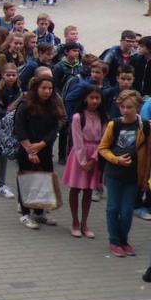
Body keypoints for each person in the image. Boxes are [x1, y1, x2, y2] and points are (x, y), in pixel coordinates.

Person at [99, 90, 150, 257]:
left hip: (134, 175)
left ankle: (124, 240)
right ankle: (114, 241)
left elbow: (148, 153)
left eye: (130, 107)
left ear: (137, 107)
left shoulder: (145, 125)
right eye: (122, 107)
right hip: (114, 172)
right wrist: (116, 159)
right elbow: (103, 148)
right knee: (113, 207)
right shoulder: (115, 124)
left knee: (127, 210)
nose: (126, 110)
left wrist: (145, 177)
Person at [15, 76, 65, 230]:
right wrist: (30, 149)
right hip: (26, 149)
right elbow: (19, 128)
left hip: (44, 149)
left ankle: (39, 212)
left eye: (50, 88)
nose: (47, 91)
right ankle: (25, 213)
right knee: (27, 180)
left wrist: (42, 144)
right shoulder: (25, 105)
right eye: (43, 88)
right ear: (36, 88)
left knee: (44, 179)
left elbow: (55, 128)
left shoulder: (52, 105)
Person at [62, 88, 107, 239]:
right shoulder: (77, 117)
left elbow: (104, 140)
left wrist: (94, 158)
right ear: (85, 99)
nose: (94, 101)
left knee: (88, 190)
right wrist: (83, 161)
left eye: (97, 98)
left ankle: (84, 223)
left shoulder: (104, 117)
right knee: (75, 189)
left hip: (96, 154)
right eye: (91, 97)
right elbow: (77, 140)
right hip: (79, 155)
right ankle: (75, 221)